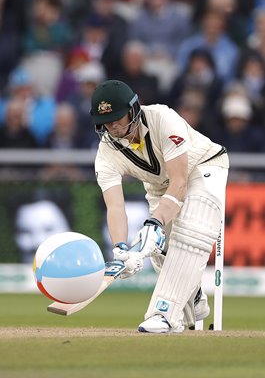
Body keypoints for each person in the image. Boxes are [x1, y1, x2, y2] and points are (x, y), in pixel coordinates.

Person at [90, 79, 229, 333]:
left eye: (118, 118)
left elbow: (180, 181)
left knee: (190, 232)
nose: (113, 126)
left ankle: (162, 314)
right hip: (158, 186)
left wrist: (155, 222)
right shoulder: (106, 153)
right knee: (161, 251)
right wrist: (120, 249)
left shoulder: (163, 118)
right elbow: (115, 206)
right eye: (106, 122)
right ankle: (194, 297)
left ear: (133, 109)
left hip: (203, 166)